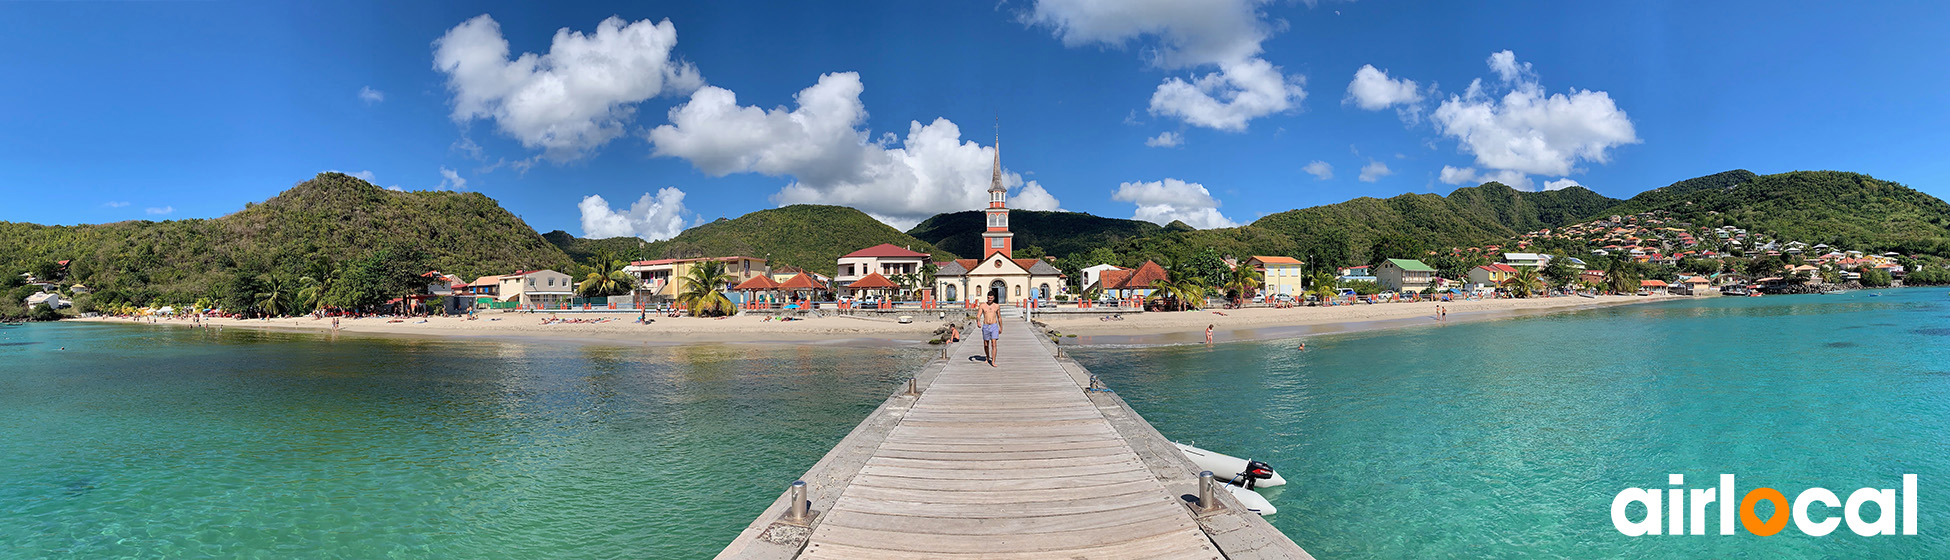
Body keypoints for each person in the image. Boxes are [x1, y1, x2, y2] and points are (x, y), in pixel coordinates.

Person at [977, 295, 1002, 366]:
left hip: (994, 325)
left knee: (994, 343)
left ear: (994, 298)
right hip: (986, 326)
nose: (990, 299)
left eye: (991, 298)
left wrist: (1001, 327)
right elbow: (978, 315)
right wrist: (978, 321)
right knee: (986, 343)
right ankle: (987, 357)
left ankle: (993, 361)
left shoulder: (997, 306)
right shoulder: (982, 305)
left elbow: (999, 317)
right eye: (988, 298)